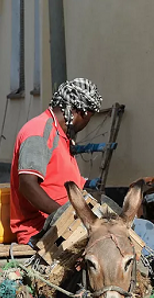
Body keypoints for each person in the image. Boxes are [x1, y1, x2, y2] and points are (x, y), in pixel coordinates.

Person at [10, 78, 103, 245]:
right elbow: (27, 184)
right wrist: (65, 215)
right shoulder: (39, 131)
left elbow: (62, 182)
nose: (85, 125)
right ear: (80, 113)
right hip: (42, 231)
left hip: (66, 226)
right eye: (88, 119)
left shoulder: (60, 135)